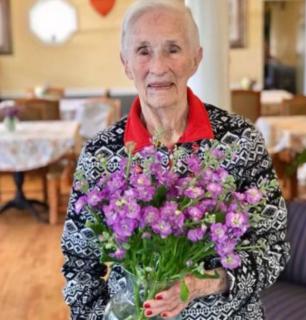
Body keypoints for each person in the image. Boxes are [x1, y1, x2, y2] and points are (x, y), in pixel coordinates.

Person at [61, 1, 290, 319]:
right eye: (143, 50)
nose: (158, 66)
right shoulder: (101, 156)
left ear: (196, 58)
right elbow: (78, 267)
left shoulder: (240, 142)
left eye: (173, 49)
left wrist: (201, 284)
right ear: (126, 64)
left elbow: (274, 250)